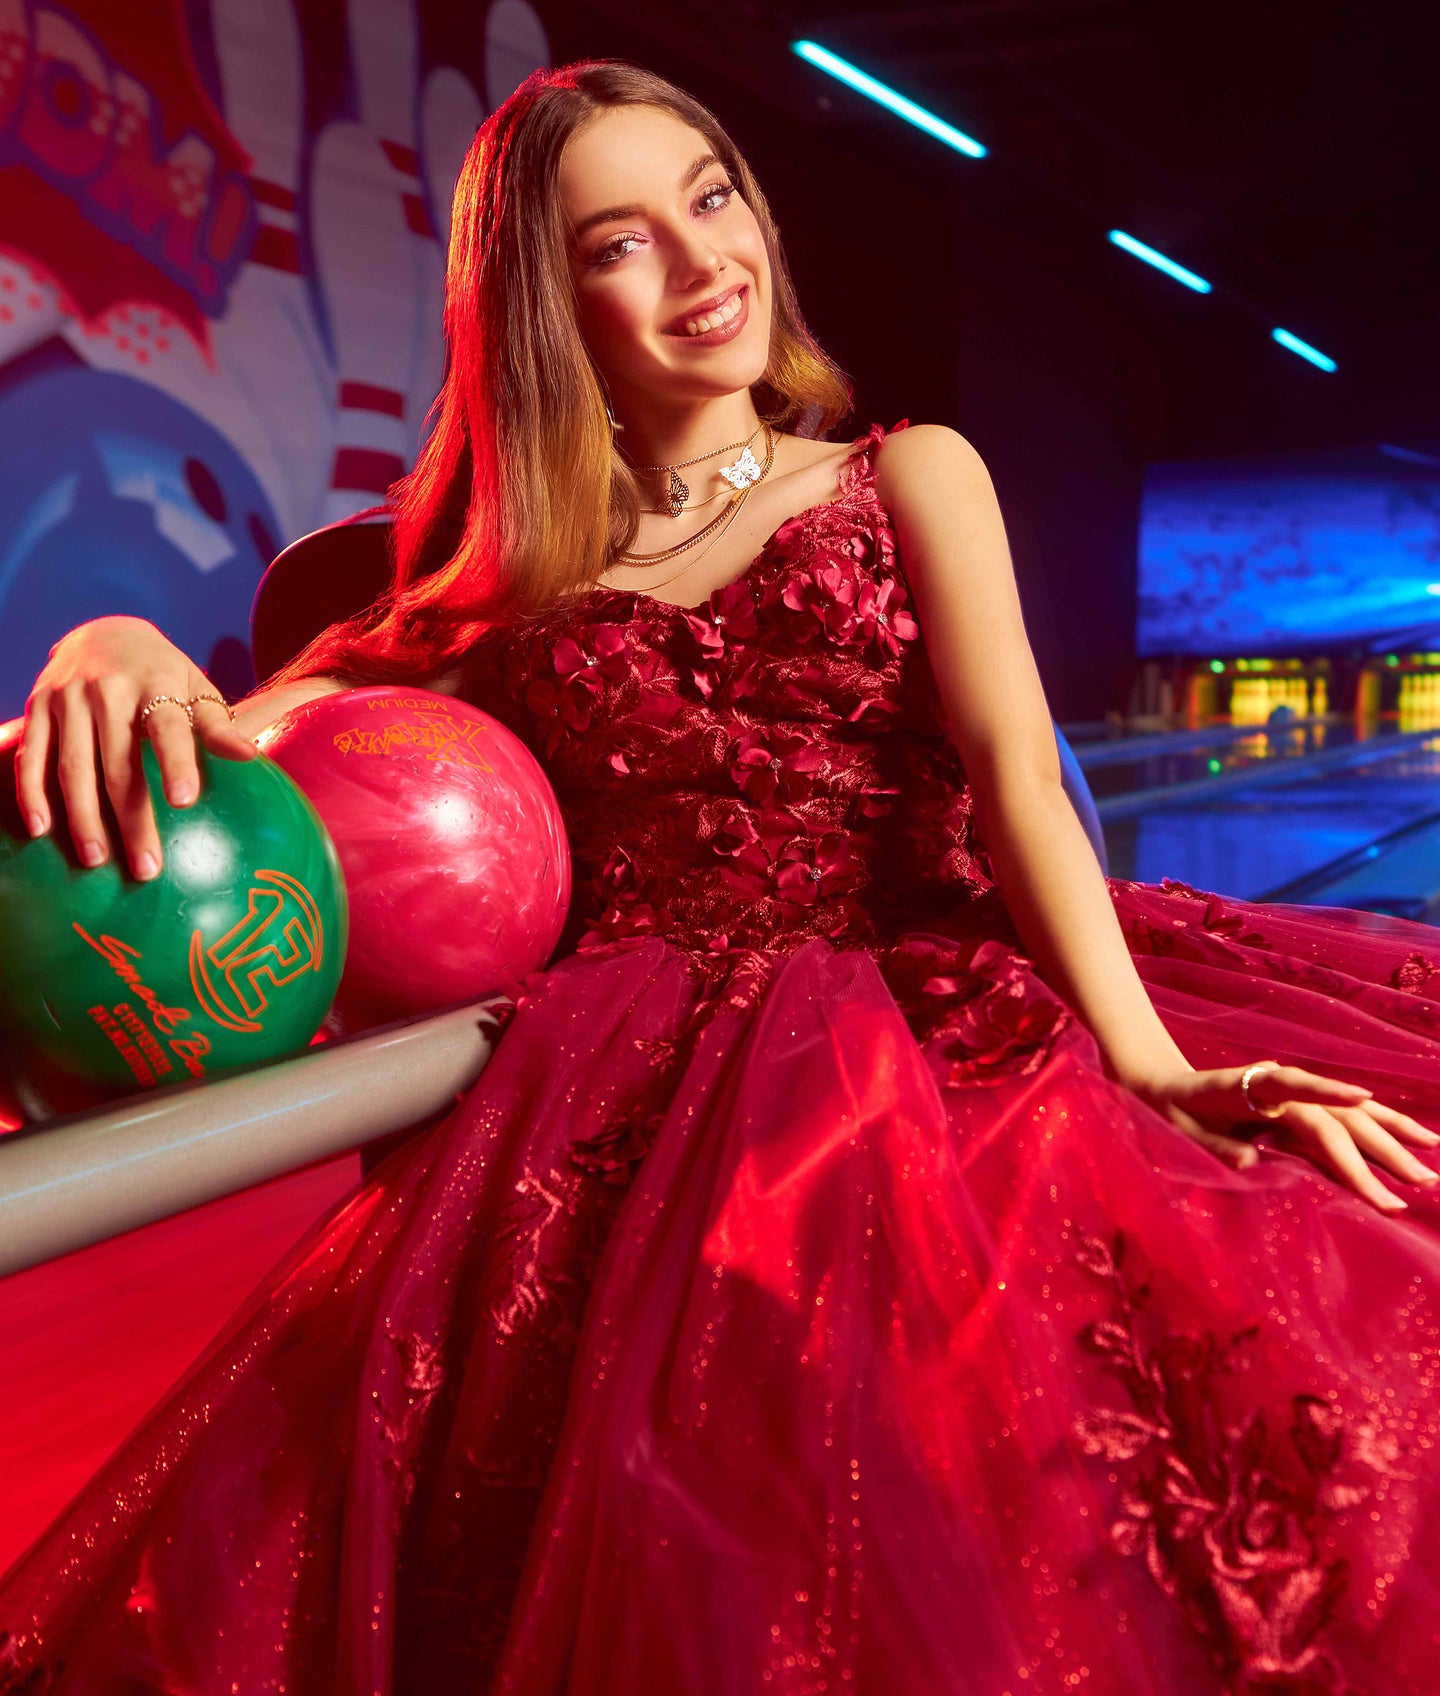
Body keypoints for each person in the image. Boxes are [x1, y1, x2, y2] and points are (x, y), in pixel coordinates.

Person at [4, 56, 1440, 1696]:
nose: (705, 264)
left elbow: (1019, 780)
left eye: (711, 199)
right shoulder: (509, 588)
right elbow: (244, 729)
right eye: (623, 242)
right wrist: (106, 635)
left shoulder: (911, 474)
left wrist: (1153, 1063)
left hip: (948, 1038)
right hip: (645, 1110)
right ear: (548, 307)